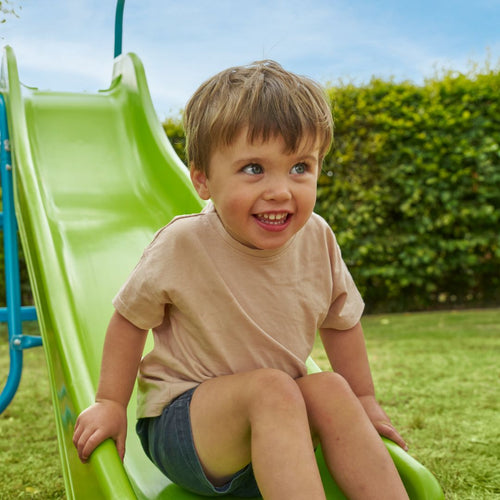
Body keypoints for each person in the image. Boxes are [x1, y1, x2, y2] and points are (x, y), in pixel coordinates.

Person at [73, 60, 409, 500]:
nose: (280, 190)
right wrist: (111, 403)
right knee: (272, 387)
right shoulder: (183, 243)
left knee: (327, 385)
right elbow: (129, 320)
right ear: (202, 180)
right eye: (254, 168)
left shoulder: (318, 238)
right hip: (187, 429)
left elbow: (340, 321)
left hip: (279, 429)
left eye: (300, 167)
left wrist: (363, 401)